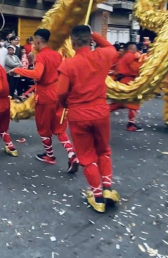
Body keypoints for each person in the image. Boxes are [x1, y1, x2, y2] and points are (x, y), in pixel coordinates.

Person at [57, 25, 119, 213]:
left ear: (73, 42)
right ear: (90, 40)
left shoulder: (68, 65)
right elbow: (111, 48)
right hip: (101, 112)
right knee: (103, 151)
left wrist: (66, 104)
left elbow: (60, 93)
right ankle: (108, 187)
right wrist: (93, 33)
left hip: (78, 115)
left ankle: (97, 196)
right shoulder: (103, 56)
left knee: (87, 156)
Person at [11, 29, 79, 172]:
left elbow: (37, 74)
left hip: (45, 95)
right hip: (58, 93)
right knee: (59, 128)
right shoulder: (56, 55)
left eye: (34, 41)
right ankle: (72, 154)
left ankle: (50, 155)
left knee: (43, 127)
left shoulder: (42, 56)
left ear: (37, 40)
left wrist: (18, 70)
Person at [109, 42, 144, 132]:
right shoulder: (130, 56)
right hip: (128, 81)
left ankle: (100, 113)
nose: (136, 50)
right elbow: (135, 68)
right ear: (132, 48)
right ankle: (131, 124)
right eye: (135, 48)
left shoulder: (124, 57)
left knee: (119, 103)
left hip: (123, 80)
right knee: (134, 102)